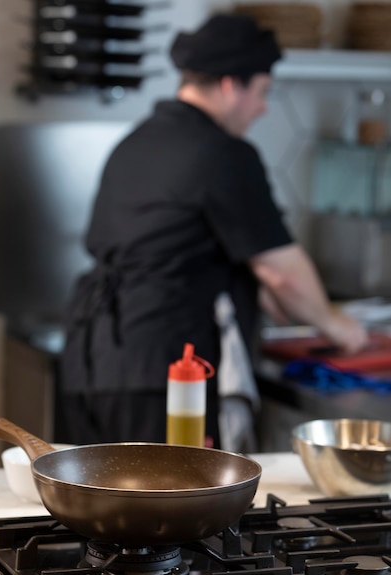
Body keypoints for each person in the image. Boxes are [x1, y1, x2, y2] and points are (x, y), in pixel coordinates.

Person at [60, 13, 368, 448]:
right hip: (168, 375)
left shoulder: (136, 143)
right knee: (175, 508)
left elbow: (166, 245)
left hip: (91, 363)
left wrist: (247, 285)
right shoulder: (224, 154)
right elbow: (281, 270)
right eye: (262, 91)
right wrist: (335, 324)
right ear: (230, 85)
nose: (263, 107)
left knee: (105, 507)